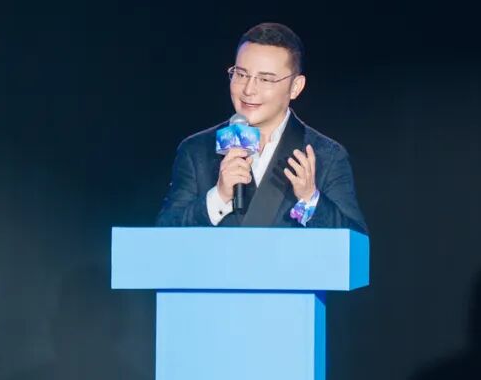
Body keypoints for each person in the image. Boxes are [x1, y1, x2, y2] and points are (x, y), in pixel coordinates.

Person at [156, 22, 367, 231]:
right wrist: (218, 197)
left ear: (295, 87)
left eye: (265, 79)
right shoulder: (197, 150)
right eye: (241, 74)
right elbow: (164, 234)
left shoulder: (326, 155)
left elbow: (356, 240)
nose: (248, 90)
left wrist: (310, 200)